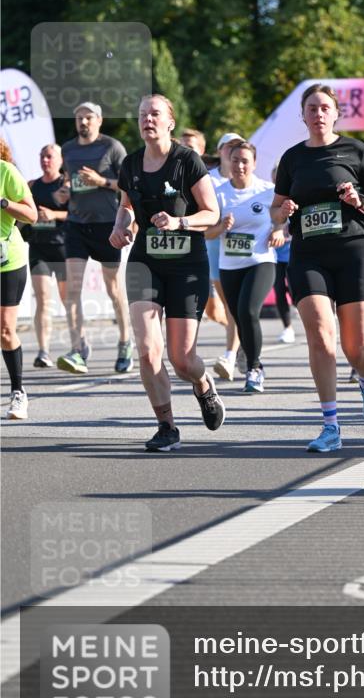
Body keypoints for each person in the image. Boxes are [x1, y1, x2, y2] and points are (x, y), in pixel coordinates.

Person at [270, 83, 364, 452]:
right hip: (309, 255)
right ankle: (330, 426)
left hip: (355, 250)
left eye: (325, 107)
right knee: (322, 337)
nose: (318, 113)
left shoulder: (356, 150)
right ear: (303, 115)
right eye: (312, 108)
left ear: (336, 114)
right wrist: (283, 212)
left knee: (357, 347)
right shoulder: (292, 158)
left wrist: (361, 200)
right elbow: (276, 210)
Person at [110, 94, 225, 451]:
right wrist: (120, 227)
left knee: (182, 359)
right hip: (146, 262)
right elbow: (127, 206)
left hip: (187, 265)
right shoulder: (130, 163)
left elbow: (212, 213)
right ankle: (167, 426)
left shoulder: (186, 161)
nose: (148, 119)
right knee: (147, 350)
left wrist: (179, 222)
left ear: (170, 122)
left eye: (155, 114)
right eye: (143, 114)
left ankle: (203, 385)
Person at [58, 102, 133, 374]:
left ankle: (125, 343)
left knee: (114, 289)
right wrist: (65, 190)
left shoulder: (112, 147)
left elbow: (128, 185)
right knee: (72, 290)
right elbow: (68, 179)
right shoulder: (68, 149)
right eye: (79, 118)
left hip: (106, 226)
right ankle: (79, 349)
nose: (83, 122)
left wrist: (101, 182)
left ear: (99, 120)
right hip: (76, 224)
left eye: (88, 117)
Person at [208, 141, 284, 393]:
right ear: (228, 162)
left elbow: (282, 219)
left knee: (248, 311)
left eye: (245, 161)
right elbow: (207, 233)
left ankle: (254, 368)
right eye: (235, 160)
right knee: (239, 317)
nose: (239, 166)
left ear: (254, 164)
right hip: (229, 265)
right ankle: (249, 351)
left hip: (260, 261)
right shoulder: (218, 193)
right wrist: (221, 227)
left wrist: (278, 231)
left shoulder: (267, 191)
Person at [1, 140, 38, 419]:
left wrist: (3, 202)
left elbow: (31, 214)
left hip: (7, 262)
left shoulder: (6, 171)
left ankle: (18, 392)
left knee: (5, 330)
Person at [180, 127, 227, 328]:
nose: (184, 150)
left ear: (201, 150)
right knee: (212, 311)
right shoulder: (172, 174)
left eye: (190, 147)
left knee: (222, 306)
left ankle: (239, 335)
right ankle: (237, 330)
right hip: (184, 249)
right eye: (181, 146)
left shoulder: (210, 180)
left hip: (212, 249)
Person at [27, 144, 69, 367]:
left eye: (49, 156)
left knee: (68, 300)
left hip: (63, 248)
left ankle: (78, 345)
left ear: (60, 160)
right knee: (43, 299)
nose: (45, 160)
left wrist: (54, 214)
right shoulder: (32, 185)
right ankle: (43, 351)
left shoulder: (66, 185)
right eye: (42, 156)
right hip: (39, 248)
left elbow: (78, 213)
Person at [209, 132, 245, 380]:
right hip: (213, 248)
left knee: (235, 306)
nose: (232, 150)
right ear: (220, 150)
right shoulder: (208, 179)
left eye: (237, 146)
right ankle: (242, 341)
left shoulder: (248, 176)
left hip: (243, 253)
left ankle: (230, 355)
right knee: (218, 309)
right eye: (228, 146)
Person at [271, 163, 295, 344]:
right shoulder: (266, 195)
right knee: (279, 291)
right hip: (274, 255)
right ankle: (288, 327)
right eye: (275, 174)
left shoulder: (296, 194)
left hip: (295, 254)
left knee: (296, 292)